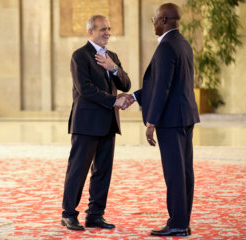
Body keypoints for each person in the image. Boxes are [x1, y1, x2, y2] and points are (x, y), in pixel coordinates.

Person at [123, 3, 200, 237]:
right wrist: (135, 97)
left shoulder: (166, 46)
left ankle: (177, 224)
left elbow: (163, 88)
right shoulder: (183, 43)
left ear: (164, 20)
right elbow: (162, 84)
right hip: (185, 116)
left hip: (170, 120)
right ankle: (182, 221)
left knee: (175, 173)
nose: (153, 23)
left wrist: (151, 121)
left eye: (154, 19)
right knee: (184, 171)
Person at [61, 15, 131, 231]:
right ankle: (68, 215)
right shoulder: (80, 56)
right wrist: (114, 101)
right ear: (90, 31)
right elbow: (85, 89)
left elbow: (126, 84)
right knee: (78, 170)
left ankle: (95, 215)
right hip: (86, 123)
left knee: (103, 171)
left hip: (108, 123)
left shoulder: (112, 56)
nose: (107, 32)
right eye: (102, 29)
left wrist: (114, 68)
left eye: (109, 28)